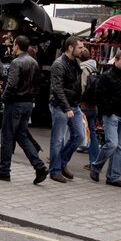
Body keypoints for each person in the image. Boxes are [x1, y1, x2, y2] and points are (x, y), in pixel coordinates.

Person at [0, 36, 49, 184]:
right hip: (28, 103)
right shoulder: (34, 62)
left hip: (15, 103)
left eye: (13, 44)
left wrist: (4, 97)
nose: (12, 47)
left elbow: (12, 84)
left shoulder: (16, 62)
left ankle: (4, 170)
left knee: (7, 137)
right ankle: (39, 166)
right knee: (21, 136)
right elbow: (37, 84)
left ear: (17, 46)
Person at [90, 50, 121, 188]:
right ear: (116, 60)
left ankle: (113, 177)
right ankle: (96, 166)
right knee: (112, 144)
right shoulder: (107, 76)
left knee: (120, 147)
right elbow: (99, 95)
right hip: (112, 115)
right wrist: (108, 111)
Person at [48, 36, 85, 183]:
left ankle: (61, 162)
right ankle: (55, 170)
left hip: (73, 105)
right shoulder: (59, 64)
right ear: (70, 47)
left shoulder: (75, 62)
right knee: (58, 140)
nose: (83, 50)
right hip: (60, 106)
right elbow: (57, 88)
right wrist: (66, 107)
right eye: (80, 47)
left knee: (79, 136)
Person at [78, 48, 99, 168]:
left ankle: (60, 157)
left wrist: (77, 100)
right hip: (93, 106)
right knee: (92, 133)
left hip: (84, 105)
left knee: (74, 132)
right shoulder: (95, 68)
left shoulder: (83, 68)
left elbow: (82, 85)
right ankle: (94, 162)